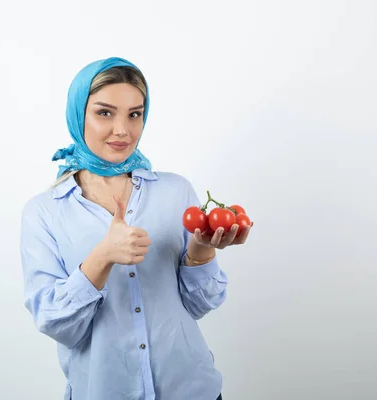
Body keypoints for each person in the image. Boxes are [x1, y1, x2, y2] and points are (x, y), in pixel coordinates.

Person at [19, 56, 251, 400]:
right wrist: (102, 257)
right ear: (77, 113)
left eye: (134, 114)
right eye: (104, 112)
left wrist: (201, 251)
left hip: (191, 390)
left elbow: (199, 305)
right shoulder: (43, 212)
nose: (123, 130)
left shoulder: (176, 192)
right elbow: (56, 324)